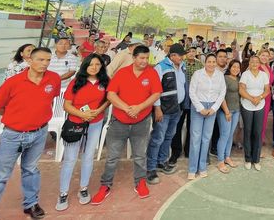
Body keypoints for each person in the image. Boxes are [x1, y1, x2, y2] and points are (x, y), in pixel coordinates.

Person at [0, 47, 60, 220]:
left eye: (48, 60)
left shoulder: (54, 79)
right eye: (40, 60)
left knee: (31, 169)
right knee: (1, 176)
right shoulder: (13, 82)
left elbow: (49, 99)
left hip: (40, 132)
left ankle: (31, 204)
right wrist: (17, 118)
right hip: (13, 135)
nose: (45, 63)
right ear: (29, 60)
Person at [91, 45, 162, 205]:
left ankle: (140, 182)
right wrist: (127, 108)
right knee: (112, 157)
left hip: (141, 121)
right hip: (119, 121)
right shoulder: (122, 73)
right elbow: (111, 94)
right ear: (134, 58)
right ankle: (105, 185)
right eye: (141, 58)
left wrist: (139, 107)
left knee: (140, 155)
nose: (144, 61)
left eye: (147, 58)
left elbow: (156, 93)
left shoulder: (152, 73)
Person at [56, 54, 110, 211]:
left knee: (88, 156)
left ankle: (83, 188)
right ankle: (63, 193)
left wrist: (98, 111)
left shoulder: (105, 81)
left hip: (95, 123)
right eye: (91, 64)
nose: (94, 67)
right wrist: (82, 114)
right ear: (85, 65)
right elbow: (67, 105)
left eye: (97, 64)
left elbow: (108, 99)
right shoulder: (76, 82)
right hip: (75, 123)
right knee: (70, 158)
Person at [146, 43, 187, 184]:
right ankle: (151, 168)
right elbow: (154, 89)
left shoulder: (181, 67)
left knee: (169, 136)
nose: (182, 58)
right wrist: (157, 108)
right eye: (180, 55)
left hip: (176, 109)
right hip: (163, 110)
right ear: (173, 55)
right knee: (158, 138)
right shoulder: (160, 67)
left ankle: (161, 161)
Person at [188, 54, 226, 180]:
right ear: (205, 63)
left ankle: (202, 167)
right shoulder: (198, 74)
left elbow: (222, 93)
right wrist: (200, 108)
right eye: (209, 61)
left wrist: (214, 108)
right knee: (195, 138)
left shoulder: (219, 75)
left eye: (213, 62)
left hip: (212, 108)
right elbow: (192, 92)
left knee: (206, 138)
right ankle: (192, 169)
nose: (211, 64)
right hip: (198, 107)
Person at [169, 46, 203, 164]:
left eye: (193, 51)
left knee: (192, 126)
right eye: (189, 51)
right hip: (182, 99)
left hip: (195, 100)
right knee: (177, 126)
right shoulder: (181, 64)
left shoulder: (200, 65)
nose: (191, 53)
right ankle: (176, 151)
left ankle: (189, 150)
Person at [239, 55, 271, 171]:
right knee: (248, 132)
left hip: (260, 105)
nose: (254, 63)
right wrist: (252, 99)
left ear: (259, 63)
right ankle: (248, 159)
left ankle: (256, 159)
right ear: (249, 63)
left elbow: (267, 90)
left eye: (257, 62)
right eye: (252, 62)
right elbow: (241, 89)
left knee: (257, 132)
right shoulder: (245, 74)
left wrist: (259, 97)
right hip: (247, 105)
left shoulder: (263, 75)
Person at [217, 60, 242, 173]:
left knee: (230, 135)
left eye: (238, 67)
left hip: (236, 110)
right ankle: (220, 160)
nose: (236, 69)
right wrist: (227, 111)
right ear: (230, 67)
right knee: (224, 135)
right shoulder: (225, 78)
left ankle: (227, 157)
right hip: (226, 111)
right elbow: (221, 96)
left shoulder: (239, 79)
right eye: (234, 67)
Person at [258, 49, 274, 147]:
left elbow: (270, 82)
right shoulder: (256, 66)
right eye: (263, 55)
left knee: (264, 118)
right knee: (257, 118)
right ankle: (255, 139)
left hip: (268, 96)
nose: (264, 57)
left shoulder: (268, 67)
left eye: (267, 56)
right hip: (258, 95)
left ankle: (261, 138)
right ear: (259, 55)